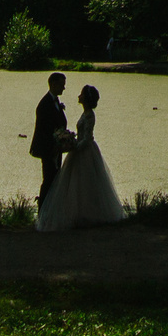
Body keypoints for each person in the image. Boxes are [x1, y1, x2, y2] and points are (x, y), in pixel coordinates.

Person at [36, 83, 125, 231]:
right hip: (78, 148)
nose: (79, 95)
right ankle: (78, 214)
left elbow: (88, 137)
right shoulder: (85, 113)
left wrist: (74, 146)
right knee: (75, 184)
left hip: (85, 151)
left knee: (85, 183)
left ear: (86, 98)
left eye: (82, 94)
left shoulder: (89, 115)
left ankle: (88, 215)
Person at [29, 71, 72, 210]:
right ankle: (42, 210)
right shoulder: (44, 105)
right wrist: (54, 145)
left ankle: (52, 209)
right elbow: (44, 130)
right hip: (48, 149)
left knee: (55, 180)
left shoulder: (55, 102)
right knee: (48, 179)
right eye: (61, 85)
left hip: (56, 149)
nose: (63, 88)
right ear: (53, 84)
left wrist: (63, 139)